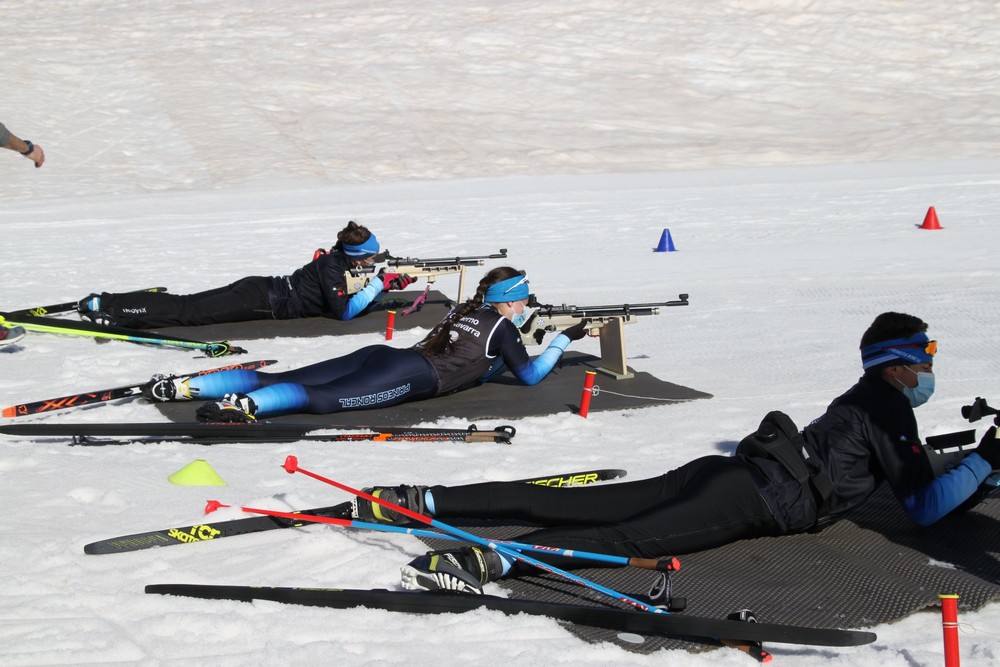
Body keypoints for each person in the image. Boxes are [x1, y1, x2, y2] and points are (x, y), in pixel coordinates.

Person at [346, 312, 1000, 594]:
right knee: (617, 535)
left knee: (579, 502)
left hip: (729, 472)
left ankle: (418, 501)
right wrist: (984, 463)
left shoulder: (866, 398)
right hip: (751, 498)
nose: (930, 368)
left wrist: (971, 461)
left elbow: (900, 466)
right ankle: (482, 559)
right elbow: (923, 504)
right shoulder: (886, 405)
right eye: (927, 357)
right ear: (899, 366)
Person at [143, 266, 590, 421]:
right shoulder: (505, 329)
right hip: (413, 375)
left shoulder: (465, 308)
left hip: (389, 357)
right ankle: (248, 407)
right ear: (512, 301)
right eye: (526, 298)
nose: (530, 302)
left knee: (283, 376)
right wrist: (560, 342)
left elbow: (480, 356)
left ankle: (186, 387)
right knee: (322, 400)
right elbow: (528, 376)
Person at [77, 221, 415, 328]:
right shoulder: (332, 267)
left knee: (187, 304)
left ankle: (104, 302)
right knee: (189, 313)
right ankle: (116, 311)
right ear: (358, 256)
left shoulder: (339, 261)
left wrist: (385, 286)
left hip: (261, 288)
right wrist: (379, 284)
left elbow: (357, 290)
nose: (372, 262)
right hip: (261, 300)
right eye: (370, 257)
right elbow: (345, 312)